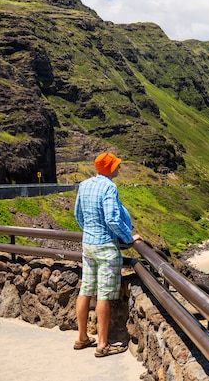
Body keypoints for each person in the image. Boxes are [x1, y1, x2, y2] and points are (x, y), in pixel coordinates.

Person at [73, 152, 141, 357]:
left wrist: (90, 232)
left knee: (85, 289)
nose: (119, 168)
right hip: (105, 246)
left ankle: (82, 337)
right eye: (117, 165)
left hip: (88, 244)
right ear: (110, 168)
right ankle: (102, 344)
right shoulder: (109, 187)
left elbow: (78, 215)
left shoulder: (84, 185)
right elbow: (112, 218)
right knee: (103, 294)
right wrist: (128, 237)